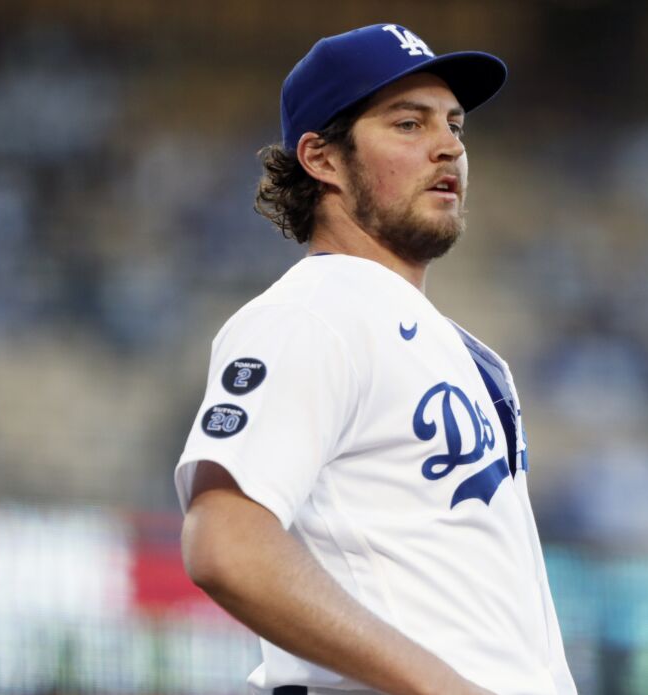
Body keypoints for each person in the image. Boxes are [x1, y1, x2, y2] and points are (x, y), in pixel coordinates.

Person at [175, 24, 578, 695]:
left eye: (454, 123)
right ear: (322, 159)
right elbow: (226, 543)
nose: (448, 145)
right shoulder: (309, 314)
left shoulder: (467, 352)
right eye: (407, 123)